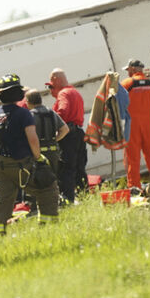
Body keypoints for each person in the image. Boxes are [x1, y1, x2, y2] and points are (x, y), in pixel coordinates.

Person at [0, 74, 60, 236]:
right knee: (48, 188)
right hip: (20, 164)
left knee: (1, 199)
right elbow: (33, 139)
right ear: (18, 93)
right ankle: (49, 229)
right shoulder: (23, 114)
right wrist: (38, 158)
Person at [121, 58, 150, 190]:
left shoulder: (126, 84)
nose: (128, 72)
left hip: (132, 128)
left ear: (133, 69)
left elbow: (117, 105)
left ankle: (134, 188)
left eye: (128, 70)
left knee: (132, 159)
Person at [47, 68, 87, 202]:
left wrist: (53, 124)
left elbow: (63, 111)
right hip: (79, 133)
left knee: (67, 168)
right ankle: (84, 195)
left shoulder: (63, 94)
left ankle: (68, 198)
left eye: (51, 85)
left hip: (68, 136)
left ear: (56, 80)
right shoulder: (75, 92)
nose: (50, 90)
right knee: (80, 167)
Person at [26, 88, 69, 186]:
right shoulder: (51, 112)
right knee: (53, 182)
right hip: (54, 153)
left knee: (38, 183)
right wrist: (54, 140)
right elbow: (65, 129)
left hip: (38, 154)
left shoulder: (29, 116)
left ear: (28, 102)